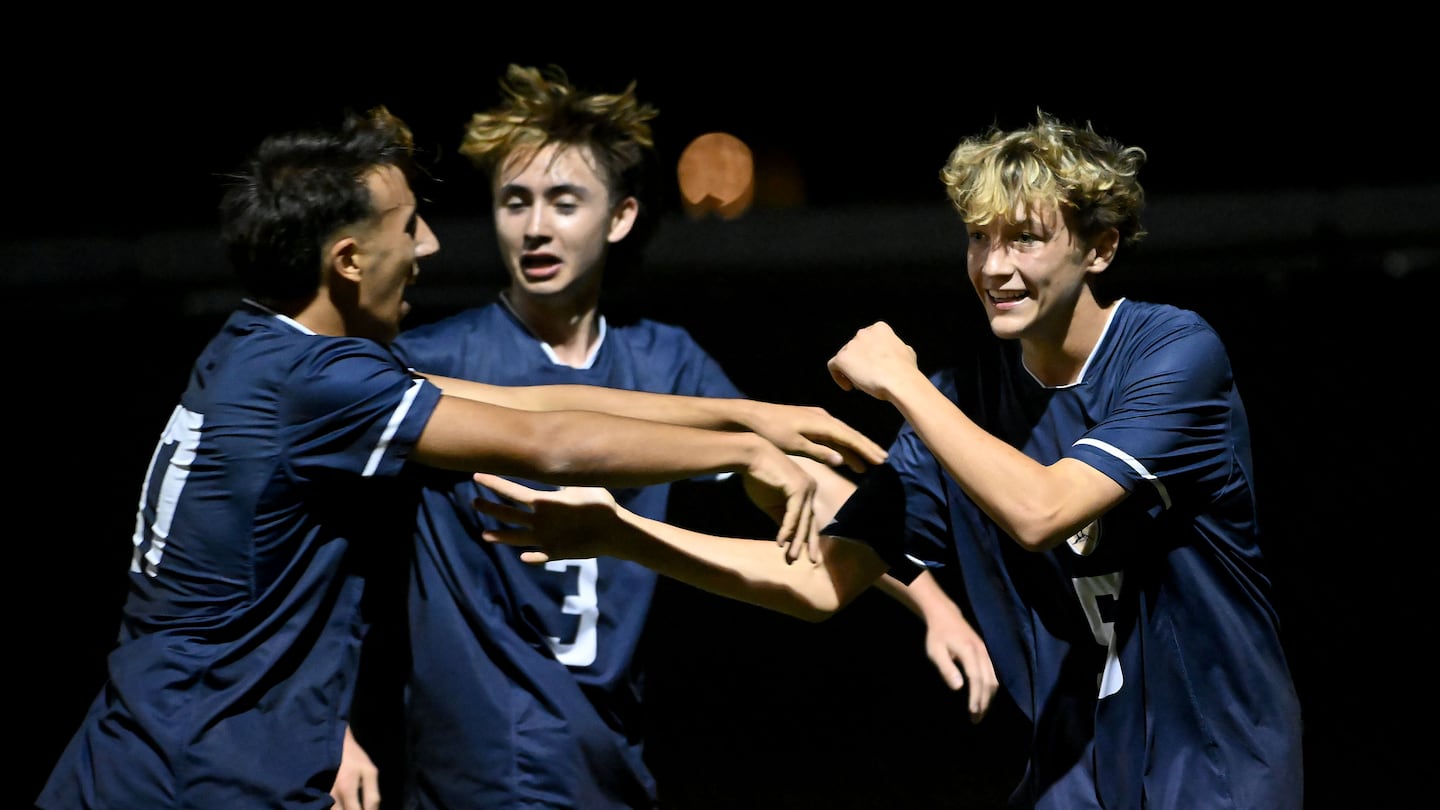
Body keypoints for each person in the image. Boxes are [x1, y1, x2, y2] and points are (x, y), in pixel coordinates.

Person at [33, 104, 892, 810]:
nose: (433, 248)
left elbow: (535, 401)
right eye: (411, 227)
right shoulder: (319, 384)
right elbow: (547, 440)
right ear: (346, 259)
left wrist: (751, 419)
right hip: (195, 778)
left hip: (144, 753)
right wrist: (744, 445)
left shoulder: (260, 347)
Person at [471, 110, 1305, 809]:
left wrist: (904, 385)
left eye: (1025, 239)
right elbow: (820, 581)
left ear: (1100, 249)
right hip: (1074, 780)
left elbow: (1043, 511)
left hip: (1221, 770)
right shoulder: (959, 400)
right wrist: (624, 535)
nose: (994, 266)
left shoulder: (1173, 351)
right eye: (979, 239)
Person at [337, 64, 997, 810]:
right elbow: (323, 549)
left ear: (619, 218)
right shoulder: (436, 360)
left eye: (563, 201)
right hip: (484, 759)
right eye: (514, 201)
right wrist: (337, 729)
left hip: (610, 753)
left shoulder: (664, 360)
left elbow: (797, 486)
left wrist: (931, 602)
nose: (535, 226)